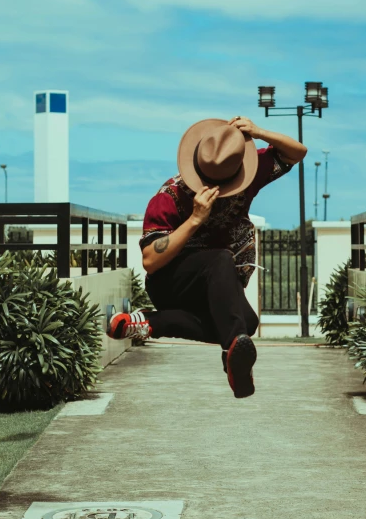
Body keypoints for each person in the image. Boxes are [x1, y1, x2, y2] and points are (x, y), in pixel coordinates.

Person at [107, 115, 307, 398]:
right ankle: (232, 356)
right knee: (221, 262)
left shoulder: (243, 176)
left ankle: (152, 323)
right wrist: (194, 220)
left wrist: (259, 132)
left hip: (216, 287)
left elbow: (298, 152)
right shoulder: (170, 196)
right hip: (172, 285)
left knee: (246, 323)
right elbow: (151, 261)